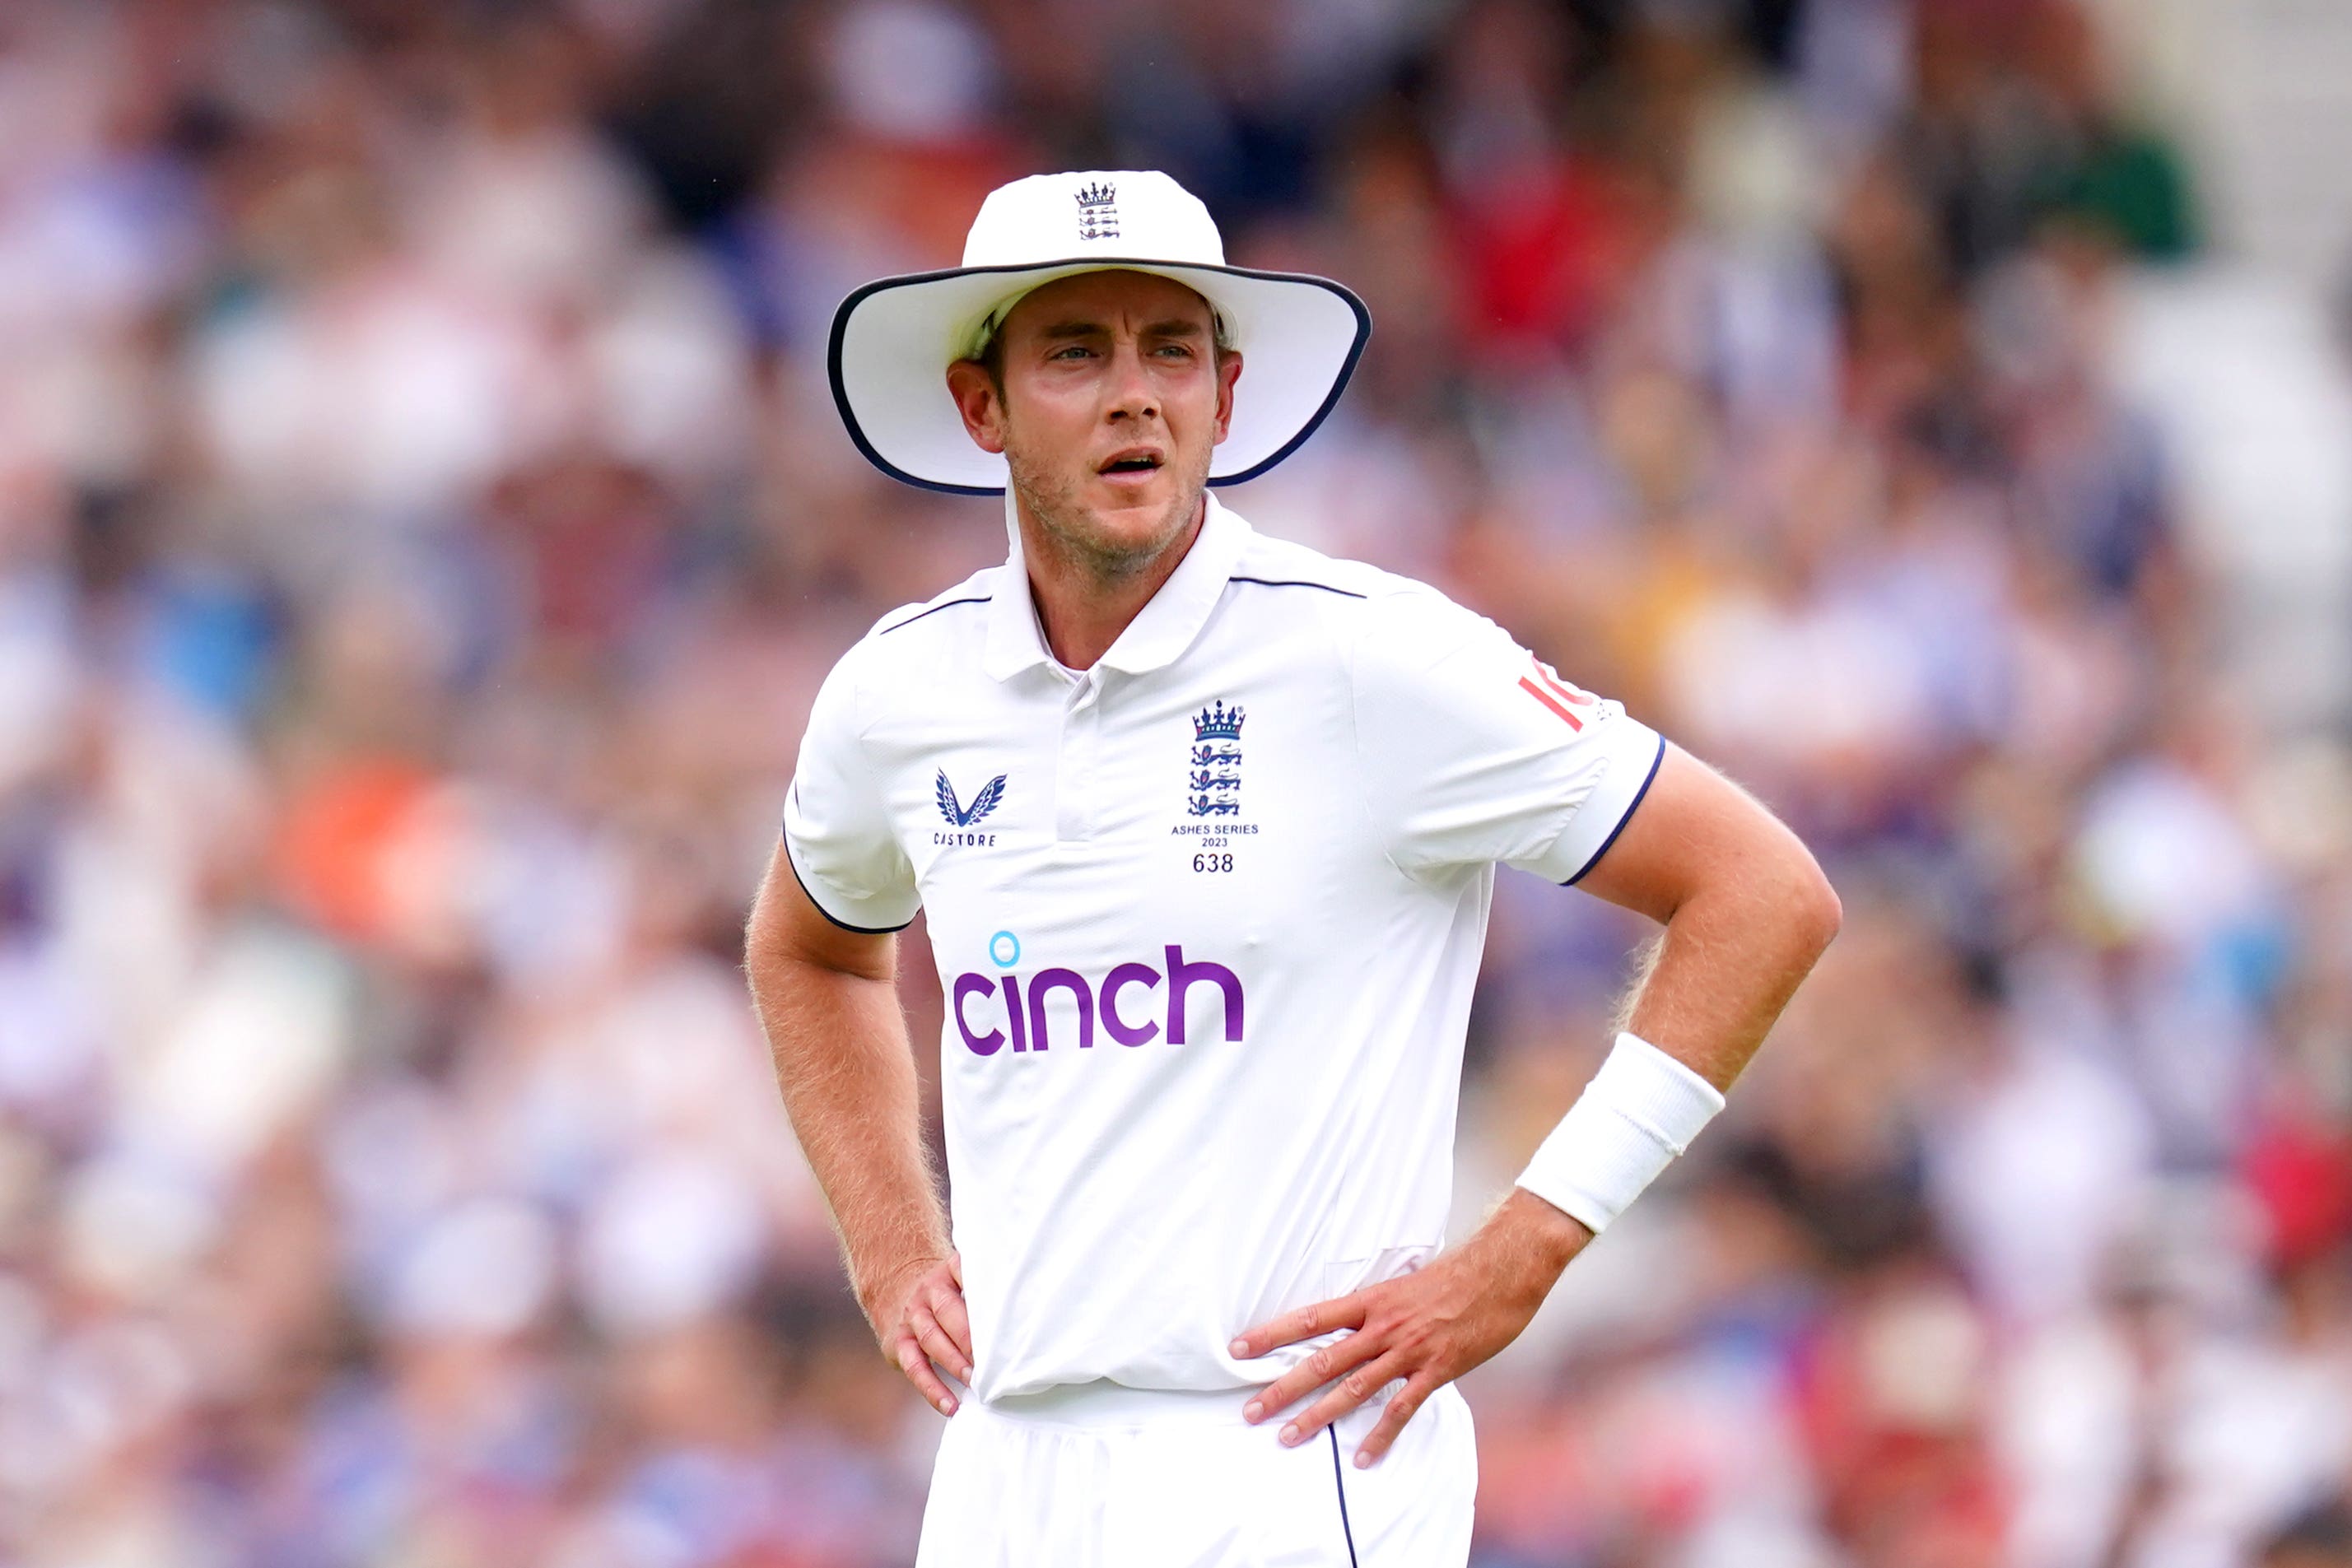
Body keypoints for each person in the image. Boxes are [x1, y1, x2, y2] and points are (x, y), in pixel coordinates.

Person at [743, 170, 1842, 1564]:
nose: (1134, 394)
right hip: (1005, 1461)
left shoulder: (1367, 655)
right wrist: (891, 1240)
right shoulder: (898, 691)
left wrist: (1527, 1248)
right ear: (983, 406)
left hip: (1289, 1456)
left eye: (1172, 351)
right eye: (1076, 352)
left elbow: (1760, 889)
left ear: (1225, 392)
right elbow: (810, 946)